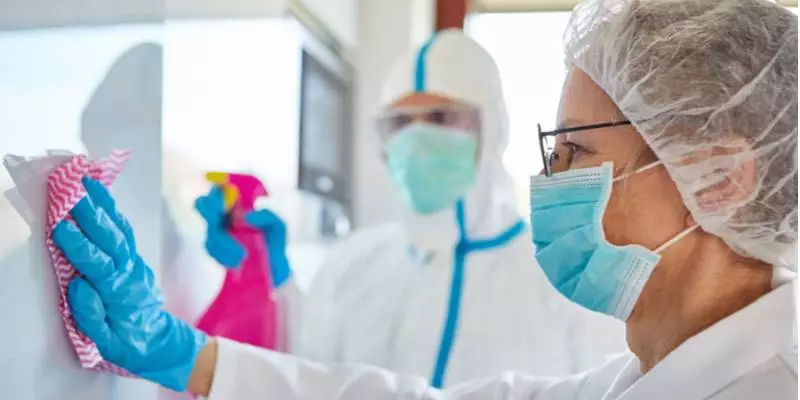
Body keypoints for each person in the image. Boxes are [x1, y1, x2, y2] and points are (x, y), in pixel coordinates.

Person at [52, 0, 797, 398]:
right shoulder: (636, 378)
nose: (551, 180)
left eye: (576, 151)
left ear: (719, 178)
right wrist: (188, 355)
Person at [194, 28, 625, 384]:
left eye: (440, 118)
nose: (416, 141)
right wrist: (269, 285)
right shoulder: (353, 266)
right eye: (400, 123)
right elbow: (300, 376)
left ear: (492, 127)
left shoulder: (564, 274)